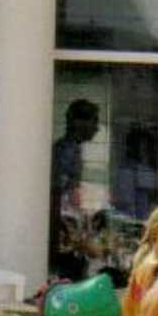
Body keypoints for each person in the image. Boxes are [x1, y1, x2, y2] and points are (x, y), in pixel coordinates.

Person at [50, 98, 101, 280]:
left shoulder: (72, 149)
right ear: (79, 122)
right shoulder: (66, 151)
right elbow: (58, 193)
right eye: (94, 121)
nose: (97, 128)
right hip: (64, 234)